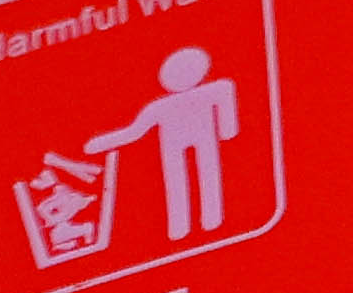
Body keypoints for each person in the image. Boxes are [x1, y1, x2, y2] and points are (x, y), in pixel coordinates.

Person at [85, 39, 249, 239]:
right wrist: (99, 145)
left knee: (198, 176)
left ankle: (201, 223)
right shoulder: (164, 105)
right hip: (179, 144)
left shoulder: (211, 91)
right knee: (187, 179)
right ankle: (191, 225)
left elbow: (134, 131)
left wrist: (227, 130)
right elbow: (135, 131)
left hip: (193, 141)